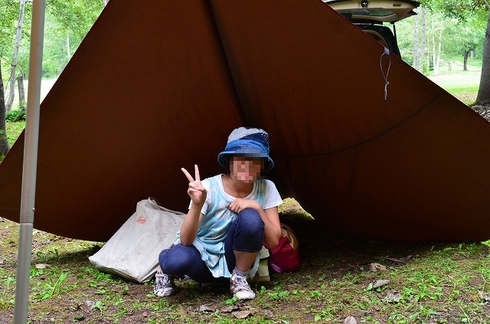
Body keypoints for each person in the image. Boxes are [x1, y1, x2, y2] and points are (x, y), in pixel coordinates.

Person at [154, 127, 283, 300]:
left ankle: (239, 279)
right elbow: (186, 240)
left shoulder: (266, 187)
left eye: (255, 159)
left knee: (251, 217)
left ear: (262, 165)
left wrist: (256, 207)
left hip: (237, 261)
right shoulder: (209, 187)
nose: (247, 165)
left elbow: (274, 240)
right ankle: (163, 267)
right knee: (177, 261)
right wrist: (197, 205)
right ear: (230, 161)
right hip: (202, 258)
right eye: (241, 158)